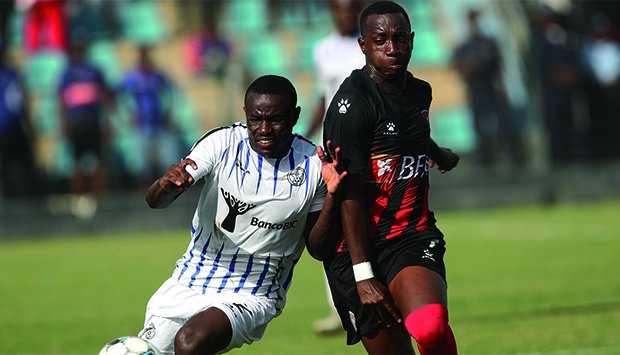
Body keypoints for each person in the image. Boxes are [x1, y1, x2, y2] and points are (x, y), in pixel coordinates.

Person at [139, 75, 347, 354]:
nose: (264, 129)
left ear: (295, 116)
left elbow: (318, 249)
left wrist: (333, 195)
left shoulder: (313, 165)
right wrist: (164, 186)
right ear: (245, 114)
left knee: (190, 343)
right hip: (190, 277)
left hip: (254, 290)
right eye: (255, 119)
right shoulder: (222, 142)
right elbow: (157, 201)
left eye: (275, 120)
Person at [317, 2, 459, 354]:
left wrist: (437, 153)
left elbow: (407, 133)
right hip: (353, 249)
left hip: (409, 235)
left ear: (412, 41)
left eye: (399, 39)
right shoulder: (351, 105)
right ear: (363, 45)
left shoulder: (419, 92)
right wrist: (363, 275)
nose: (392, 48)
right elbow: (348, 190)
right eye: (381, 40)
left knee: (430, 329)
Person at [306, 0, 365, 335]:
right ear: (331, 11)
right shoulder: (322, 49)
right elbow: (324, 97)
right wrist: (306, 136)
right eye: (339, 8)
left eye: (349, 8)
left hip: (369, 147)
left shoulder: (368, 44)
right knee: (332, 227)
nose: (344, 13)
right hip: (334, 149)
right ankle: (340, 307)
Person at [452, 9, 524, 169]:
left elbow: (493, 66)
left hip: (492, 90)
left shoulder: (489, 43)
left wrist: (474, 65)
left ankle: (510, 157)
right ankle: (485, 159)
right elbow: (459, 65)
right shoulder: (465, 45)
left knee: (501, 124)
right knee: (478, 126)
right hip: (476, 91)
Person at [57, 36, 112, 214]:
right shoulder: (68, 72)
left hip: (92, 121)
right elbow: (62, 100)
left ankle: (99, 202)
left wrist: (107, 122)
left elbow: (104, 97)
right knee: (76, 164)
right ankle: (78, 201)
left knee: (99, 163)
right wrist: (65, 123)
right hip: (76, 122)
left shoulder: (94, 70)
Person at [116, 45, 179, 188]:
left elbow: (172, 91)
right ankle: (145, 193)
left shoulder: (157, 75)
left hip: (158, 123)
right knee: (143, 163)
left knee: (165, 161)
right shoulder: (132, 78)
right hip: (141, 125)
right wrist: (128, 114)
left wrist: (168, 111)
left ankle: (165, 191)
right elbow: (117, 94)